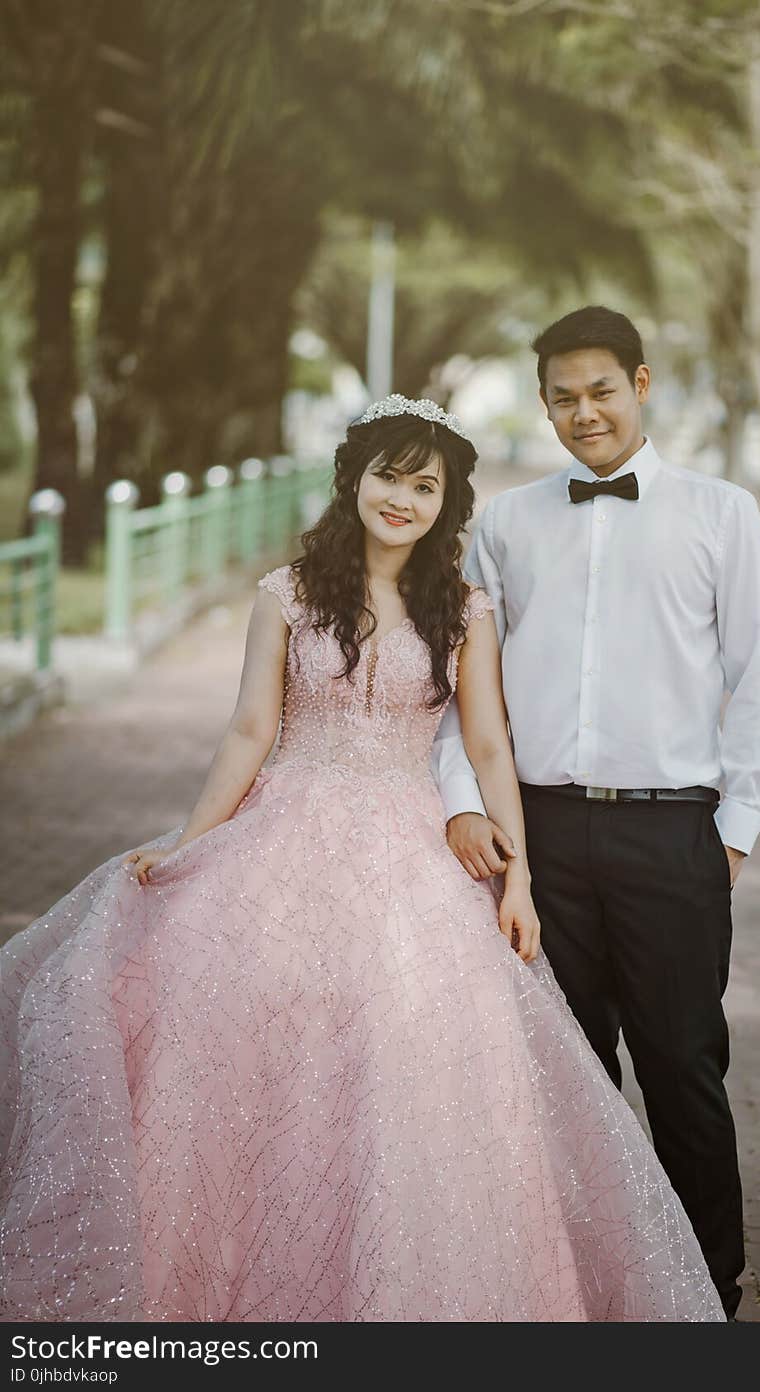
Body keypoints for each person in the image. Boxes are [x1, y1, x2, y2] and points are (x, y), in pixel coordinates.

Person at [0, 395, 723, 1324]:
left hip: (408, 848)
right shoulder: (289, 594)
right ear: (355, 479)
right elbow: (251, 728)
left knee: (406, 1052)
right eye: (390, 475)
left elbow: (491, 747)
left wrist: (521, 878)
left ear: (446, 505)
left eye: (426, 487)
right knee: (242, 1036)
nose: (403, 499)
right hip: (282, 830)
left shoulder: (464, 609)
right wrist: (192, 839)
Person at [431, 308, 760, 1321]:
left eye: (600, 390)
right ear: (542, 403)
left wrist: (728, 838)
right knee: (565, 1078)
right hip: (537, 837)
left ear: (641, 384)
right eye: (561, 397)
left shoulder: (722, 514)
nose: (581, 412)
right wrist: (466, 804)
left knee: (683, 1070)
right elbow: (464, 694)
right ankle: (584, 1294)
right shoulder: (503, 524)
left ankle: (705, 1298)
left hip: (671, 832)